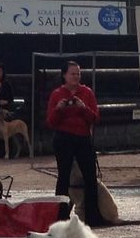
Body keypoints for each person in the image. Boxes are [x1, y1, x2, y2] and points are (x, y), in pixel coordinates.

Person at [46, 60, 107, 227]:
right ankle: (61, 217)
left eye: (78, 73)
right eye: (72, 73)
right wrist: (59, 109)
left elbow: (95, 118)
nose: (76, 76)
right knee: (63, 177)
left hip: (82, 137)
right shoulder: (57, 94)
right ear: (64, 75)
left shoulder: (86, 92)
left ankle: (93, 216)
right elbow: (50, 122)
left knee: (90, 176)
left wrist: (83, 108)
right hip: (63, 138)